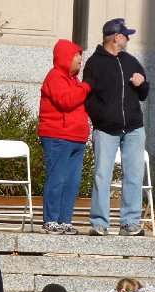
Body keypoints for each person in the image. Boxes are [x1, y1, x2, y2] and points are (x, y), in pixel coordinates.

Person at [83, 18, 149, 237]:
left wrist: (142, 83)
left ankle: (130, 222)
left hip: (133, 128)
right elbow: (88, 96)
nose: (128, 39)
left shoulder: (131, 61)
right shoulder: (94, 63)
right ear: (115, 37)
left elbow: (144, 94)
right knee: (102, 175)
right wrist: (101, 117)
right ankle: (99, 222)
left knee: (134, 175)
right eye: (125, 35)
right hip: (106, 129)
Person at [38, 39, 91, 235]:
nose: (80, 59)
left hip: (77, 137)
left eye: (80, 55)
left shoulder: (75, 82)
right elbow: (66, 101)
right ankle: (51, 219)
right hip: (57, 136)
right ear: (65, 57)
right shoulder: (55, 76)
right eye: (76, 55)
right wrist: (86, 87)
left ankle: (65, 220)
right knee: (57, 179)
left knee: (72, 181)